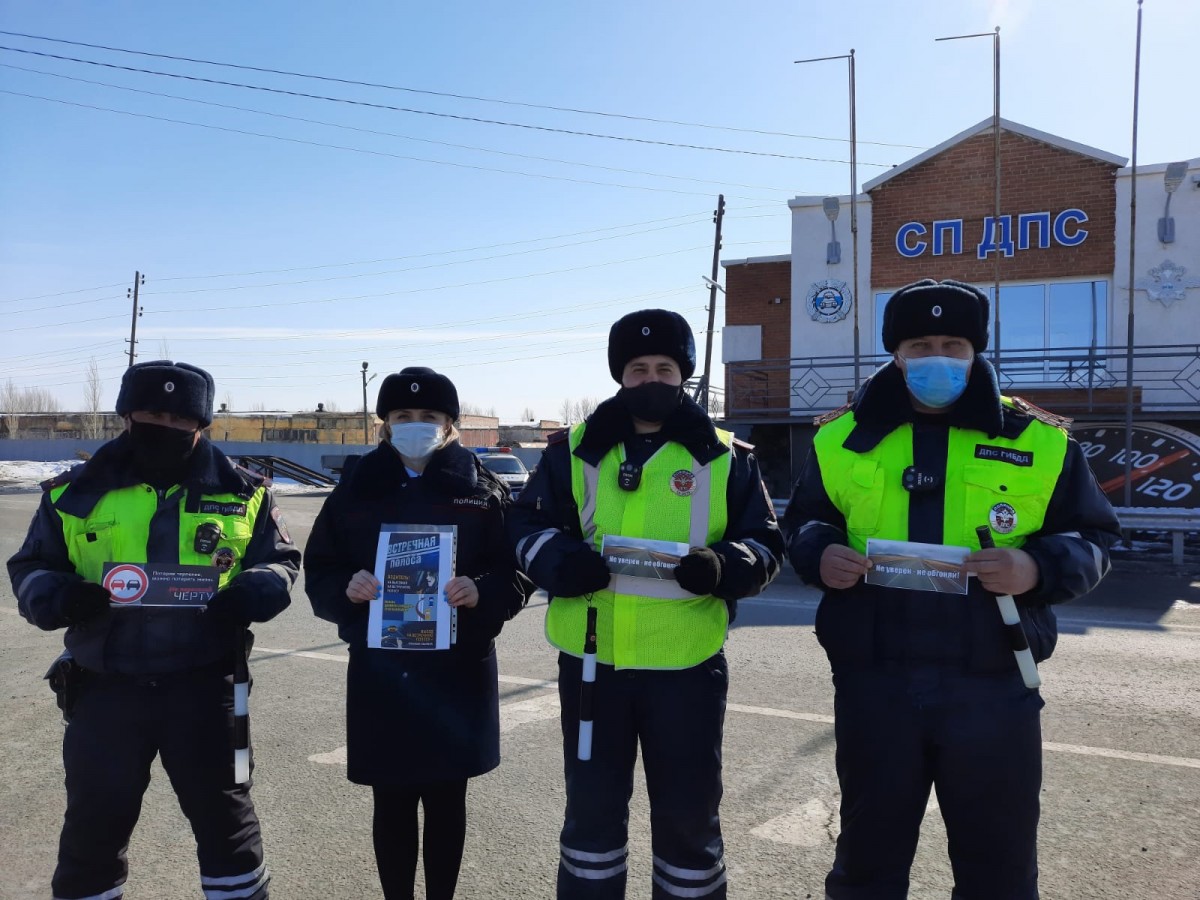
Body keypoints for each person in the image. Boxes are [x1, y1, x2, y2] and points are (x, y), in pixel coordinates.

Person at [781, 279, 1122, 899]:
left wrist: (1035, 568)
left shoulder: (1038, 439)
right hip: (875, 683)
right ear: (896, 353)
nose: (936, 357)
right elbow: (803, 522)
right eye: (920, 345)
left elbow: (1094, 538)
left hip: (993, 684)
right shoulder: (840, 437)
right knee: (867, 864)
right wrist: (818, 553)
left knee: (999, 869)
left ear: (975, 351)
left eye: (952, 345)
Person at [509, 309, 784, 900]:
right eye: (638, 369)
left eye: (664, 368)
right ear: (620, 375)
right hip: (592, 666)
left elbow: (766, 545)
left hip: (686, 667)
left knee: (689, 818)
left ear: (684, 374)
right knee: (591, 816)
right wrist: (560, 561)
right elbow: (524, 527)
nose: (651, 379)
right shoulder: (572, 450)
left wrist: (724, 567)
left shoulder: (728, 455)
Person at [7, 360, 299, 900]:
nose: (166, 425)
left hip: (211, 689)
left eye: (180, 418)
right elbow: (30, 566)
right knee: (92, 826)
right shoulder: (72, 493)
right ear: (127, 416)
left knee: (228, 820)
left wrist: (257, 590)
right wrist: (57, 596)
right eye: (152, 414)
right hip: (103, 689)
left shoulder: (245, 492)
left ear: (200, 424)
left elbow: (278, 560)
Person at [304, 366, 531, 900]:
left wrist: (483, 590)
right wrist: (347, 589)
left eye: (428, 415)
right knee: (392, 800)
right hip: (383, 669)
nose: (415, 424)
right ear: (385, 424)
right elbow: (321, 568)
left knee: (449, 799)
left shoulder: (482, 489)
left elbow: (518, 569)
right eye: (403, 416)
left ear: (450, 424)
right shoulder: (357, 488)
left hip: (458, 668)